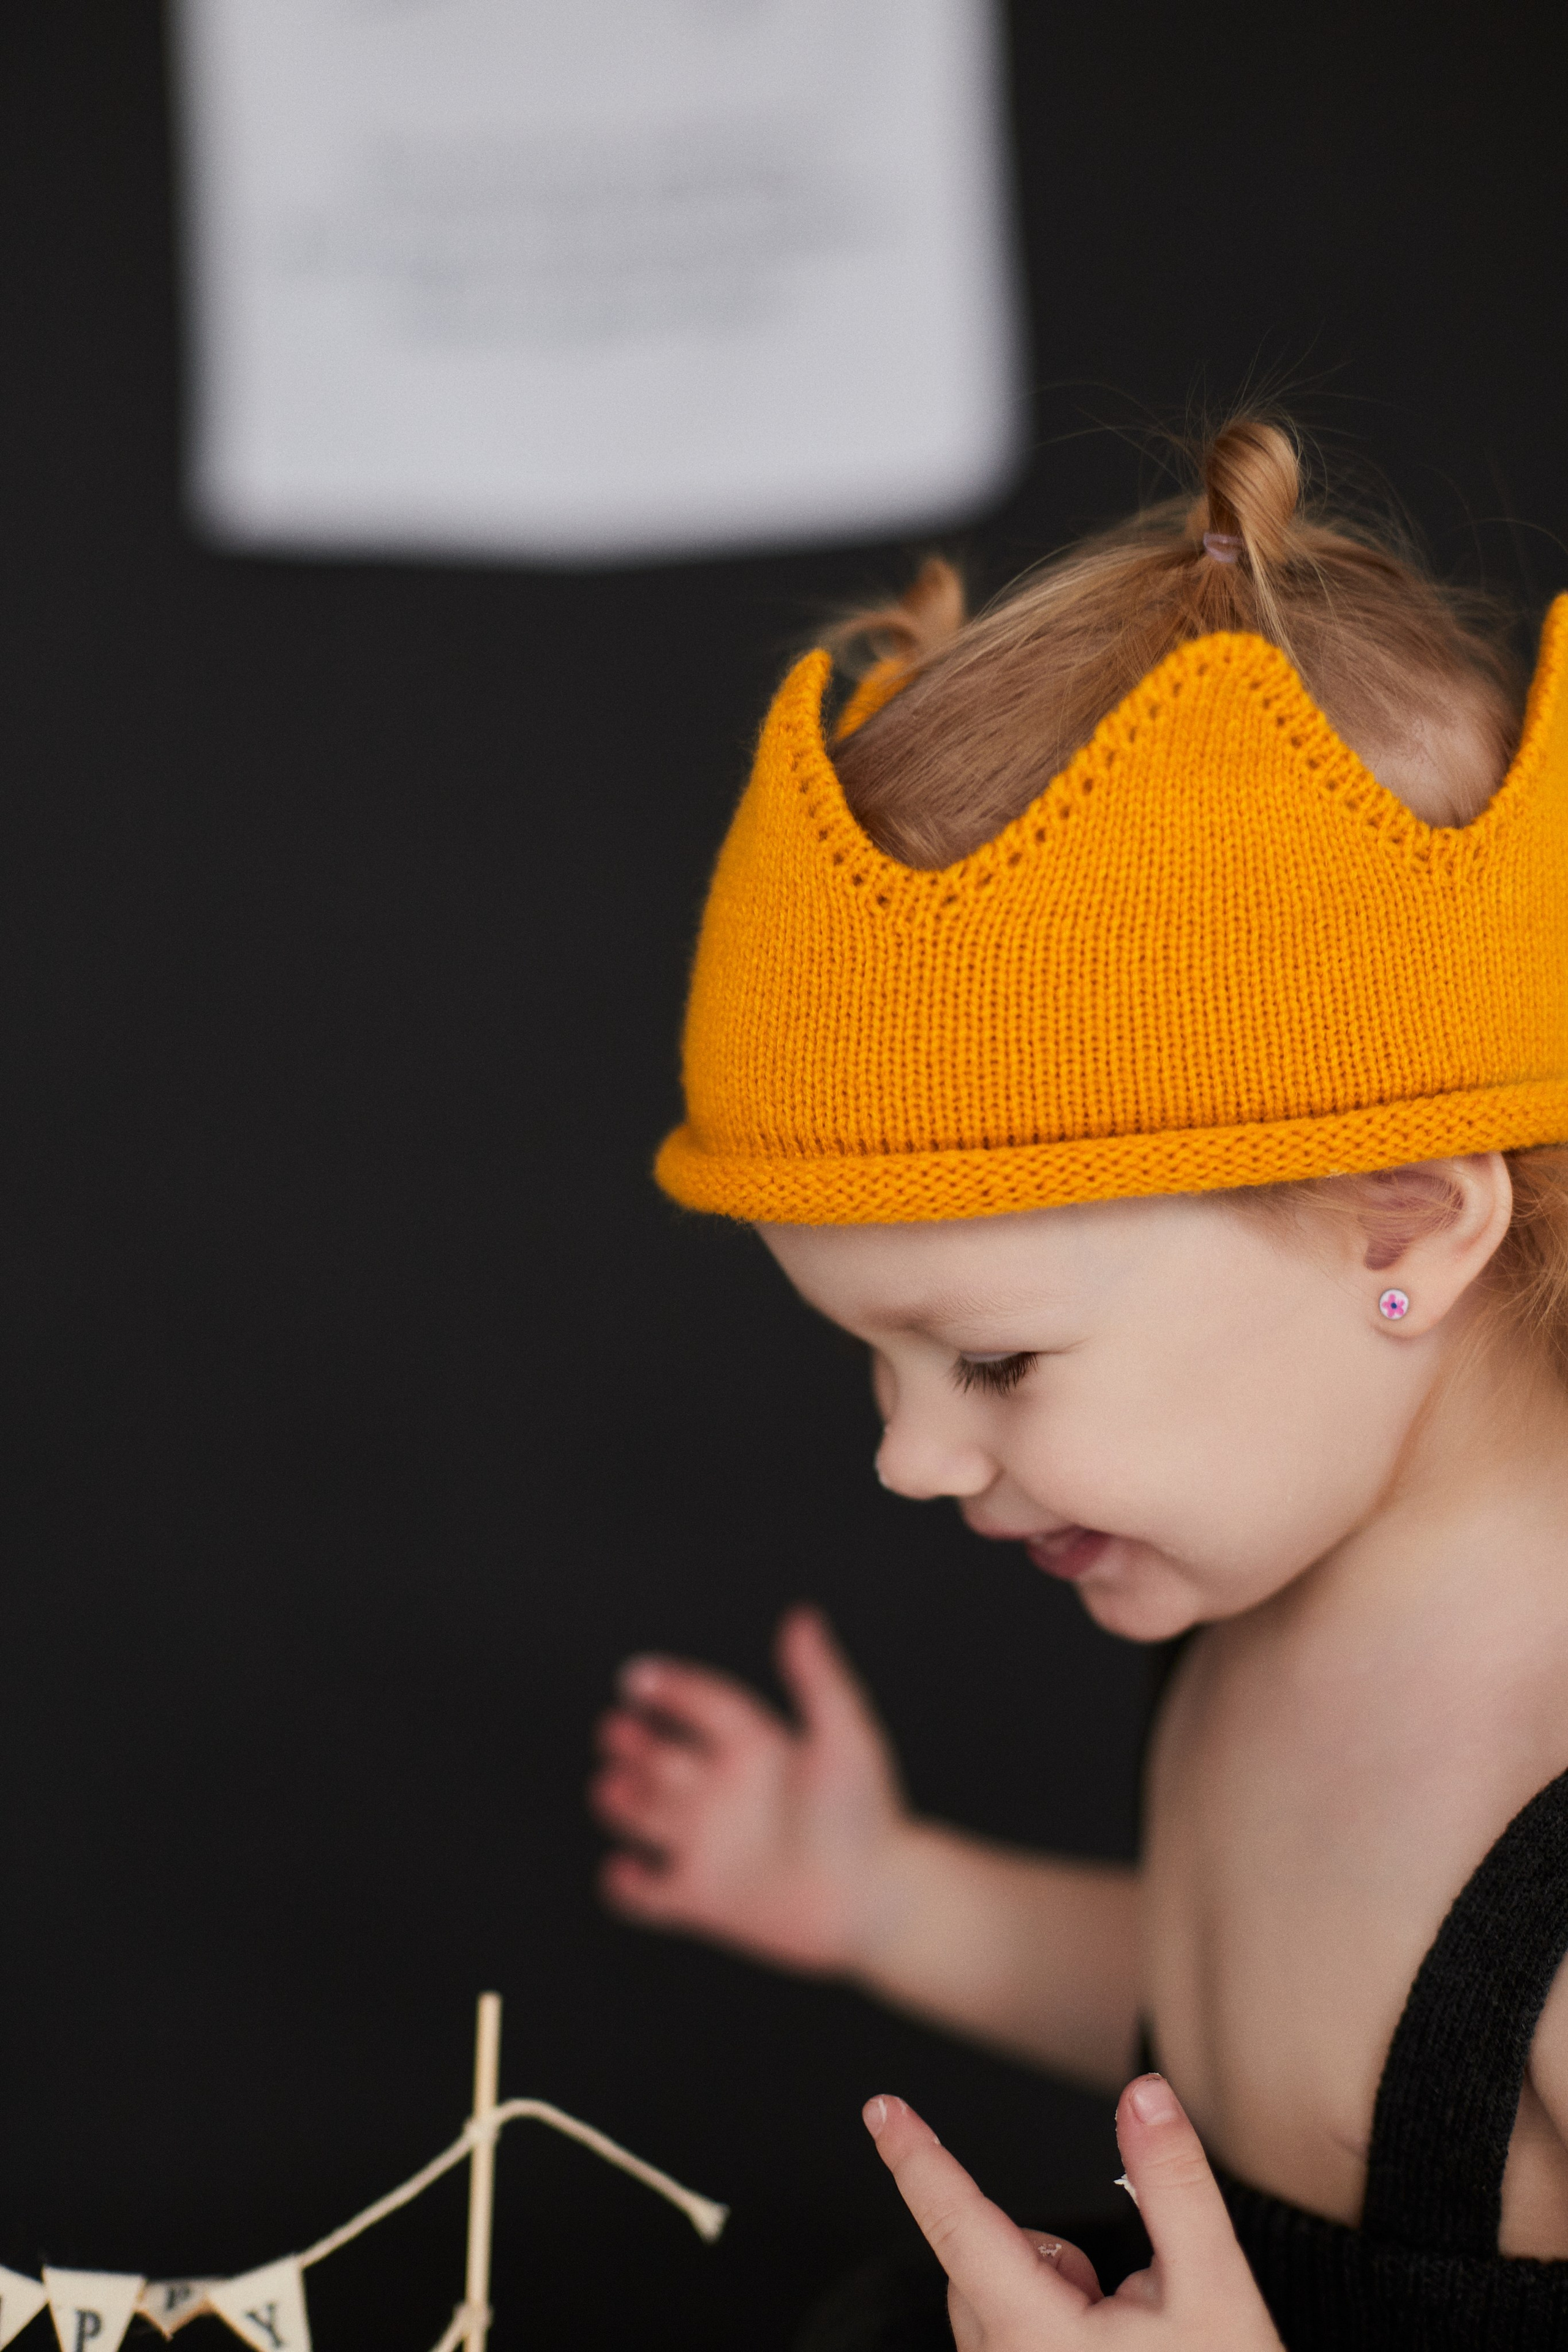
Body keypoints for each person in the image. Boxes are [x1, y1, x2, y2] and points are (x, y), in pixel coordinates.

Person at [589, 413, 1568, 2349]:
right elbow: (1266, 2008)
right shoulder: (1278, 1584)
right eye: (877, 1367)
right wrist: (894, 1902)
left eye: (993, 1360)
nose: (915, 1460)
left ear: (1398, 1229)